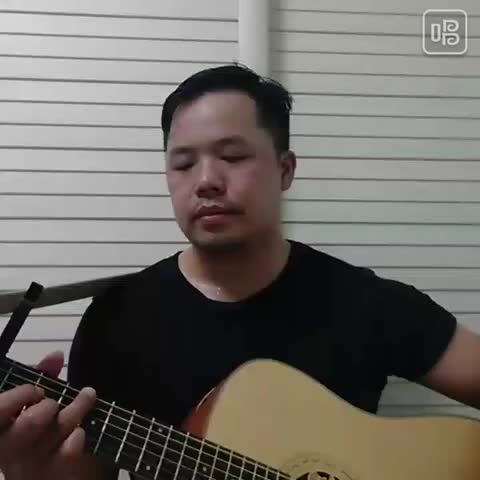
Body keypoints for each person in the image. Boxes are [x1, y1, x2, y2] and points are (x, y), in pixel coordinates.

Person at [1, 64, 480, 479]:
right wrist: (33, 470)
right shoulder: (116, 318)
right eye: (183, 164)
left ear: (285, 170)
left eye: (232, 156)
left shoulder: (367, 302)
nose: (206, 181)